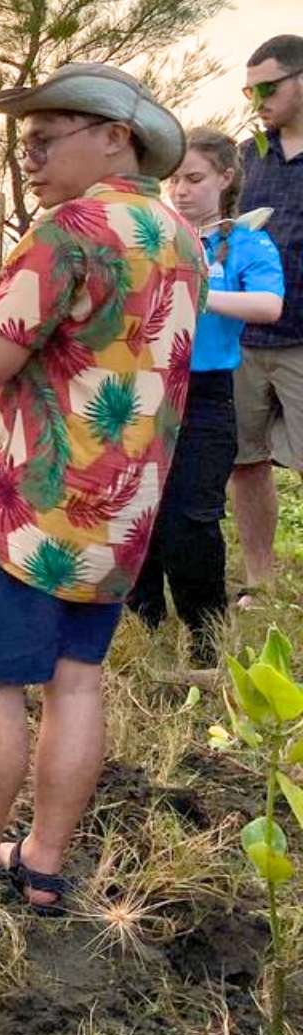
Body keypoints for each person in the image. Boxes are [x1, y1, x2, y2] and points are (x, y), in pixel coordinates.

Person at [0, 64, 202, 914]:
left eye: (46, 139)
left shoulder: (71, 227)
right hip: (123, 509)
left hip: (29, 508)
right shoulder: (179, 235)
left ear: (114, 138)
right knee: (77, 682)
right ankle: (46, 864)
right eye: (26, 143)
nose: (32, 157)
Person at [130, 129, 284, 667]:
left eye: (194, 179)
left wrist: (200, 289)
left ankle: (206, 635)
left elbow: (268, 304)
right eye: (173, 180)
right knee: (137, 509)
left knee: (190, 517)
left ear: (225, 177)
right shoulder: (157, 236)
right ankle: (143, 622)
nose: (181, 190)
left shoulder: (244, 243)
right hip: (142, 388)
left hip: (205, 396)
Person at [232, 34, 303, 607]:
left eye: (269, 86)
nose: (257, 97)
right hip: (246, 336)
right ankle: (262, 584)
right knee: (246, 462)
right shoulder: (248, 154)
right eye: (250, 88)